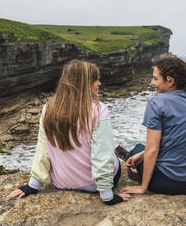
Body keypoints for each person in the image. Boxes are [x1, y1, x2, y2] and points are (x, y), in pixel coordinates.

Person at [8, 60, 130, 205]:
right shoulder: (98, 109)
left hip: (62, 182)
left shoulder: (49, 108)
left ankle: (113, 147)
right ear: (83, 84)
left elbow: (43, 148)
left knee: (96, 143)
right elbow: (101, 156)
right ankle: (116, 149)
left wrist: (32, 185)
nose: (99, 83)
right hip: (93, 185)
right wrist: (107, 195)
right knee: (108, 151)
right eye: (94, 80)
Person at [120, 54, 186, 195]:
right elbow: (182, 141)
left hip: (171, 183)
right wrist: (143, 154)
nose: (151, 82)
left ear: (170, 81)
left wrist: (143, 187)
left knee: (137, 149)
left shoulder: (157, 103)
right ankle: (136, 156)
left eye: (155, 78)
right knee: (142, 151)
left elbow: (152, 150)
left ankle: (131, 162)